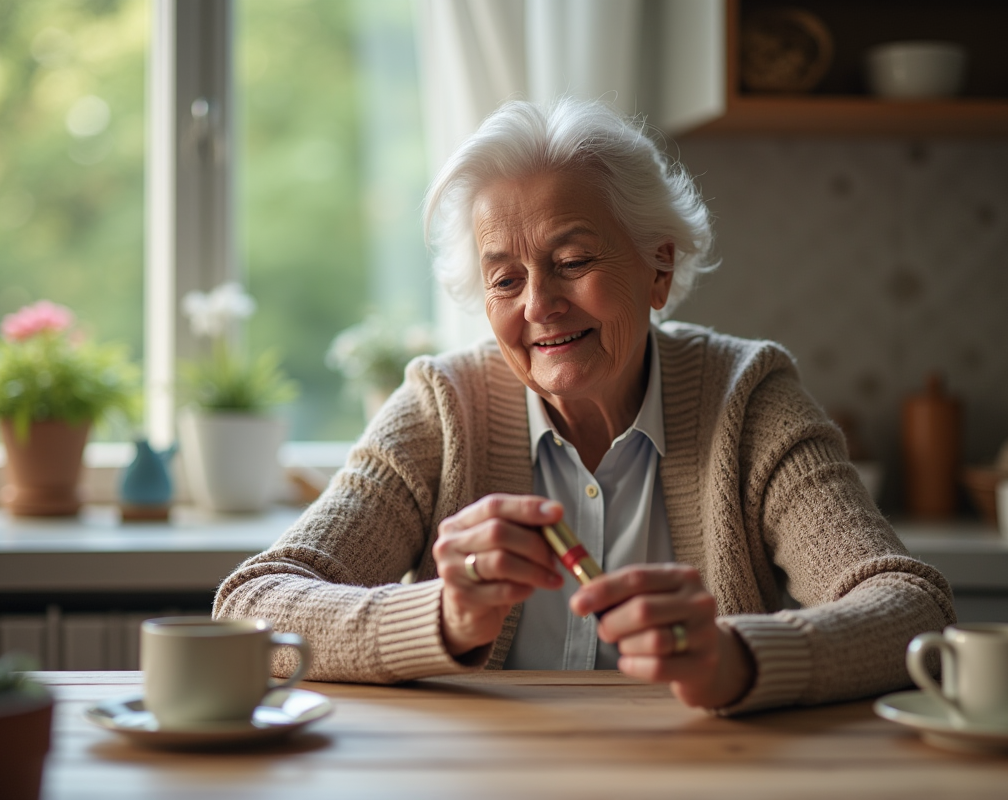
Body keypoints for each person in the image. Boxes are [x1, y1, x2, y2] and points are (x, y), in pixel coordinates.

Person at [214, 97, 955, 714]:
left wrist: (739, 659)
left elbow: (912, 608)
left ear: (658, 267)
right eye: (505, 280)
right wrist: (444, 616)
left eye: (573, 262)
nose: (540, 305)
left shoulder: (750, 400)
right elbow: (252, 607)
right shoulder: (444, 408)